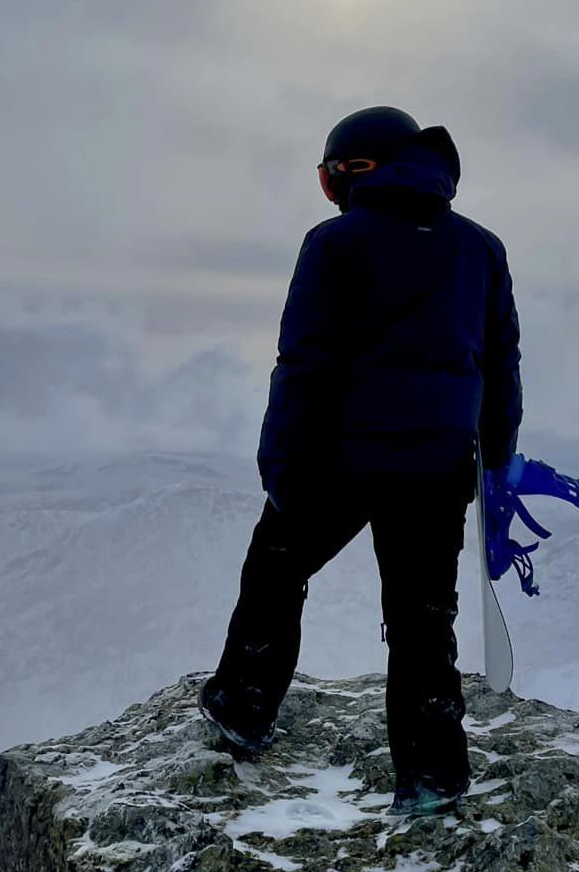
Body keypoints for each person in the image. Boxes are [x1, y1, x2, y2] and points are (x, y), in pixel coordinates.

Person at [201, 106, 522, 814]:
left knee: (275, 571)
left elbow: (303, 364)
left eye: (328, 177)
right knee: (422, 620)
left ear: (355, 170)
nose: (328, 191)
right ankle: (433, 775)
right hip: (438, 469)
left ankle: (242, 707)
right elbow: (501, 367)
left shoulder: (334, 244)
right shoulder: (481, 249)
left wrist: (280, 468)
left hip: (338, 461)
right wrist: (496, 459)